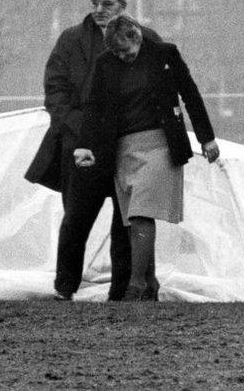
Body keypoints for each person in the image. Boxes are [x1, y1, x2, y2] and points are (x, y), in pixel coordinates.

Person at [73, 15, 219, 301]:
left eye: (125, 50)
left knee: (141, 212)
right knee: (132, 219)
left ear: (136, 36)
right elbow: (93, 106)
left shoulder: (165, 54)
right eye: (116, 53)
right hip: (124, 149)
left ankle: (136, 286)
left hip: (161, 146)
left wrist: (207, 138)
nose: (122, 57)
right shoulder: (105, 64)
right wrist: (85, 145)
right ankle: (150, 283)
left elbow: (190, 94)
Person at [43, 0, 161, 301]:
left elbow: (159, 88)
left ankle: (121, 292)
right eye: (94, 3)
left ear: (123, 6)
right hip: (83, 149)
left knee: (125, 224)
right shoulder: (70, 41)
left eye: (107, 4)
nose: (98, 10)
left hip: (127, 148)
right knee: (75, 220)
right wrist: (81, 130)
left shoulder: (146, 40)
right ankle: (64, 287)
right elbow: (55, 90)